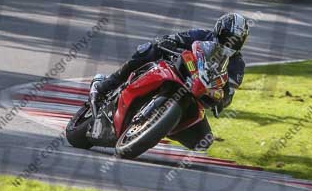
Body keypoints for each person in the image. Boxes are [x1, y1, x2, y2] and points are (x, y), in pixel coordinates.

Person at [90, 12, 249, 150]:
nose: (231, 42)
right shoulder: (202, 35)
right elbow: (176, 38)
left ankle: (161, 127)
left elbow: (229, 92)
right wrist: (169, 42)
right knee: (148, 49)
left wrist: (222, 100)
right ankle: (105, 86)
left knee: (204, 141)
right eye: (228, 37)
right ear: (219, 31)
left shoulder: (238, 65)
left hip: (198, 94)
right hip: (179, 71)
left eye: (236, 40)